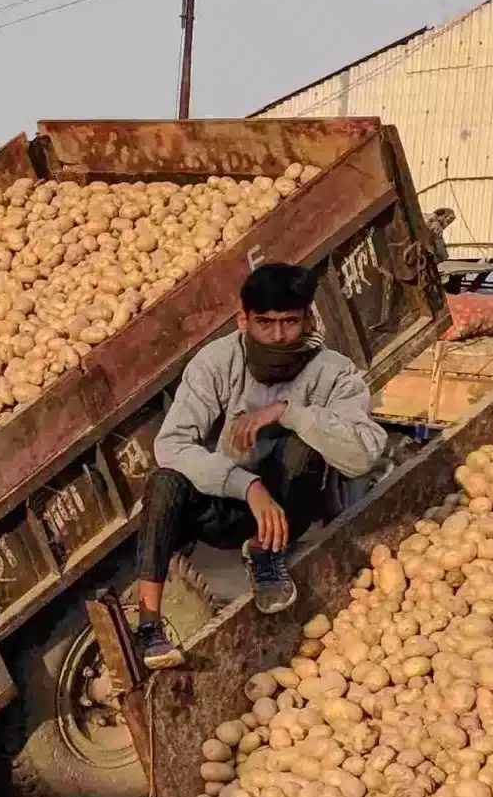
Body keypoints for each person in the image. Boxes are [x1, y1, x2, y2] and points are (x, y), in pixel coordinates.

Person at [133, 260, 385, 670]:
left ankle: (266, 556)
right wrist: (247, 486)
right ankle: (148, 625)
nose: (279, 335)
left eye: (290, 322)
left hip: (288, 513)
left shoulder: (333, 373)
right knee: (164, 482)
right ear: (243, 320)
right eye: (265, 323)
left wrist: (288, 412)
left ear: (308, 319)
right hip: (228, 506)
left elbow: (363, 455)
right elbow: (173, 445)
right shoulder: (216, 363)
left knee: (303, 444)